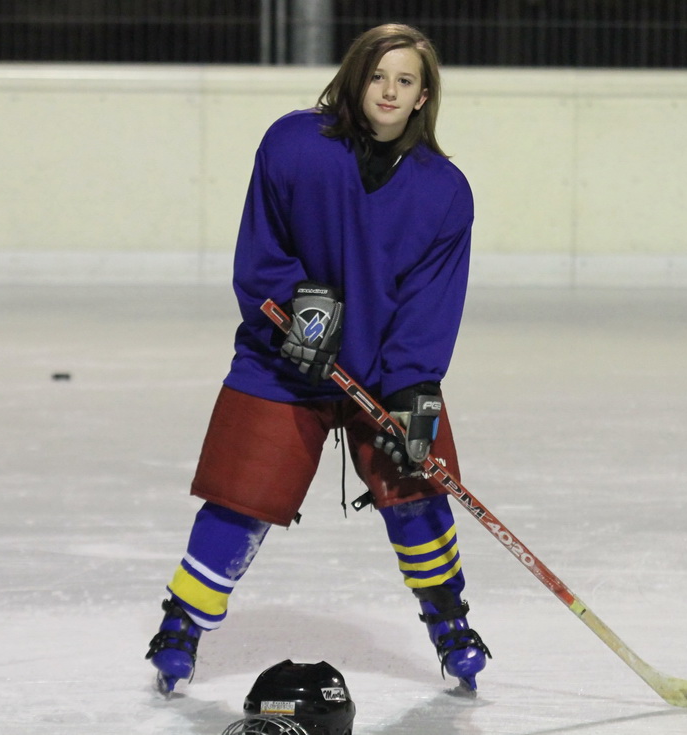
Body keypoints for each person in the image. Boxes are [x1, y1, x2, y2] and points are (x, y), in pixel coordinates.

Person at [146, 23, 491, 696]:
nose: (389, 91)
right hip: (282, 357)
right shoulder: (294, 144)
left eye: (405, 81)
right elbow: (261, 246)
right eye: (378, 76)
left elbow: (431, 300)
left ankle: (450, 623)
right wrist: (294, 310)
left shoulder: (445, 190)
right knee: (240, 495)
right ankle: (181, 625)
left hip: (385, 370)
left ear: (423, 97)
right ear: (356, 77)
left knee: (417, 488)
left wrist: (413, 387)